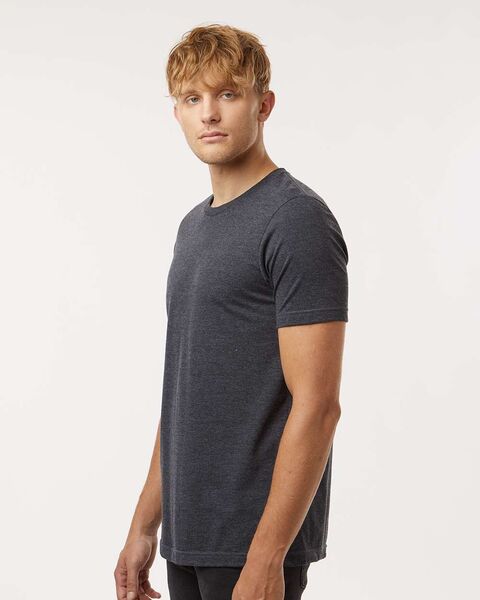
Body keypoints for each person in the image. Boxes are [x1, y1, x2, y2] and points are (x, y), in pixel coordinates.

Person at [114, 23, 349, 600]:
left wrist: (267, 557)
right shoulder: (192, 228)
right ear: (177, 113)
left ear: (263, 104)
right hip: (189, 535)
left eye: (228, 94)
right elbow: (185, 390)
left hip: (252, 544)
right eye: (192, 98)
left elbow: (318, 405)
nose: (210, 114)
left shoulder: (295, 219)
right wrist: (145, 524)